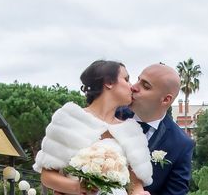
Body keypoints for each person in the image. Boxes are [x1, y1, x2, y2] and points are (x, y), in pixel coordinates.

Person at [33, 60, 152, 195]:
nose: (131, 86)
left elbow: (135, 186)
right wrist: (78, 187)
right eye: (126, 79)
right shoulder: (70, 119)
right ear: (109, 82)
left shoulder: (132, 131)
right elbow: (47, 176)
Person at [117, 64, 194, 195]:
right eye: (138, 80)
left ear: (165, 99)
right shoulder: (111, 115)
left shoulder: (181, 144)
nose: (134, 87)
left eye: (145, 86)